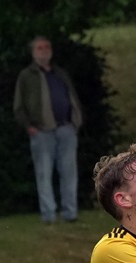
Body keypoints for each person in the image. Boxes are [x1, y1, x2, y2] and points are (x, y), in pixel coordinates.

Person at [13, 36, 84, 223]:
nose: (44, 50)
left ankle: (70, 213)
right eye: (39, 48)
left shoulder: (59, 73)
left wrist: (75, 122)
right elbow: (19, 106)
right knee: (44, 174)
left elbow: (71, 97)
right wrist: (29, 127)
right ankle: (49, 214)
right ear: (33, 52)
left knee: (69, 173)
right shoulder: (27, 76)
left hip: (66, 128)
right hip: (42, 130)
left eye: (46, 47)